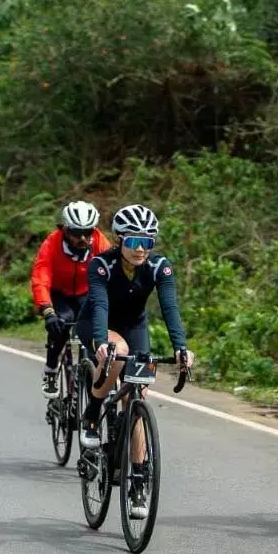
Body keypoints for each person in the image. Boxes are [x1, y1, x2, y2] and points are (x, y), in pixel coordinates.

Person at [77, 204, 194, 519]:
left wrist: (181, 348)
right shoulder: (102, 264)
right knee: (118, 351)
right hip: (97, 324)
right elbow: (99, 303)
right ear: (119, 240)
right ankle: (92, 412)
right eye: (132, 242)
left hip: (135, 326)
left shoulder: (159, 267)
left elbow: (170, 307)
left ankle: (138, 479)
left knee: (137, 397)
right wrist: (101, 341)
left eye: (147, 242)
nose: (140, 249)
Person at [30, 200, 112, 398]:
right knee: (61, 322)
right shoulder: (52, 243)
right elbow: (41, 277)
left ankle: (95, 372)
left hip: (86, 291)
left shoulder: (99, 242)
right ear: (65, 230)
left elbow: (112, 272)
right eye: (76, 233)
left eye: (87, 232)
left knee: (96, 326)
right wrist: (47, 310)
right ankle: (50, 370)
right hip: (59, 294)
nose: (82, 238)